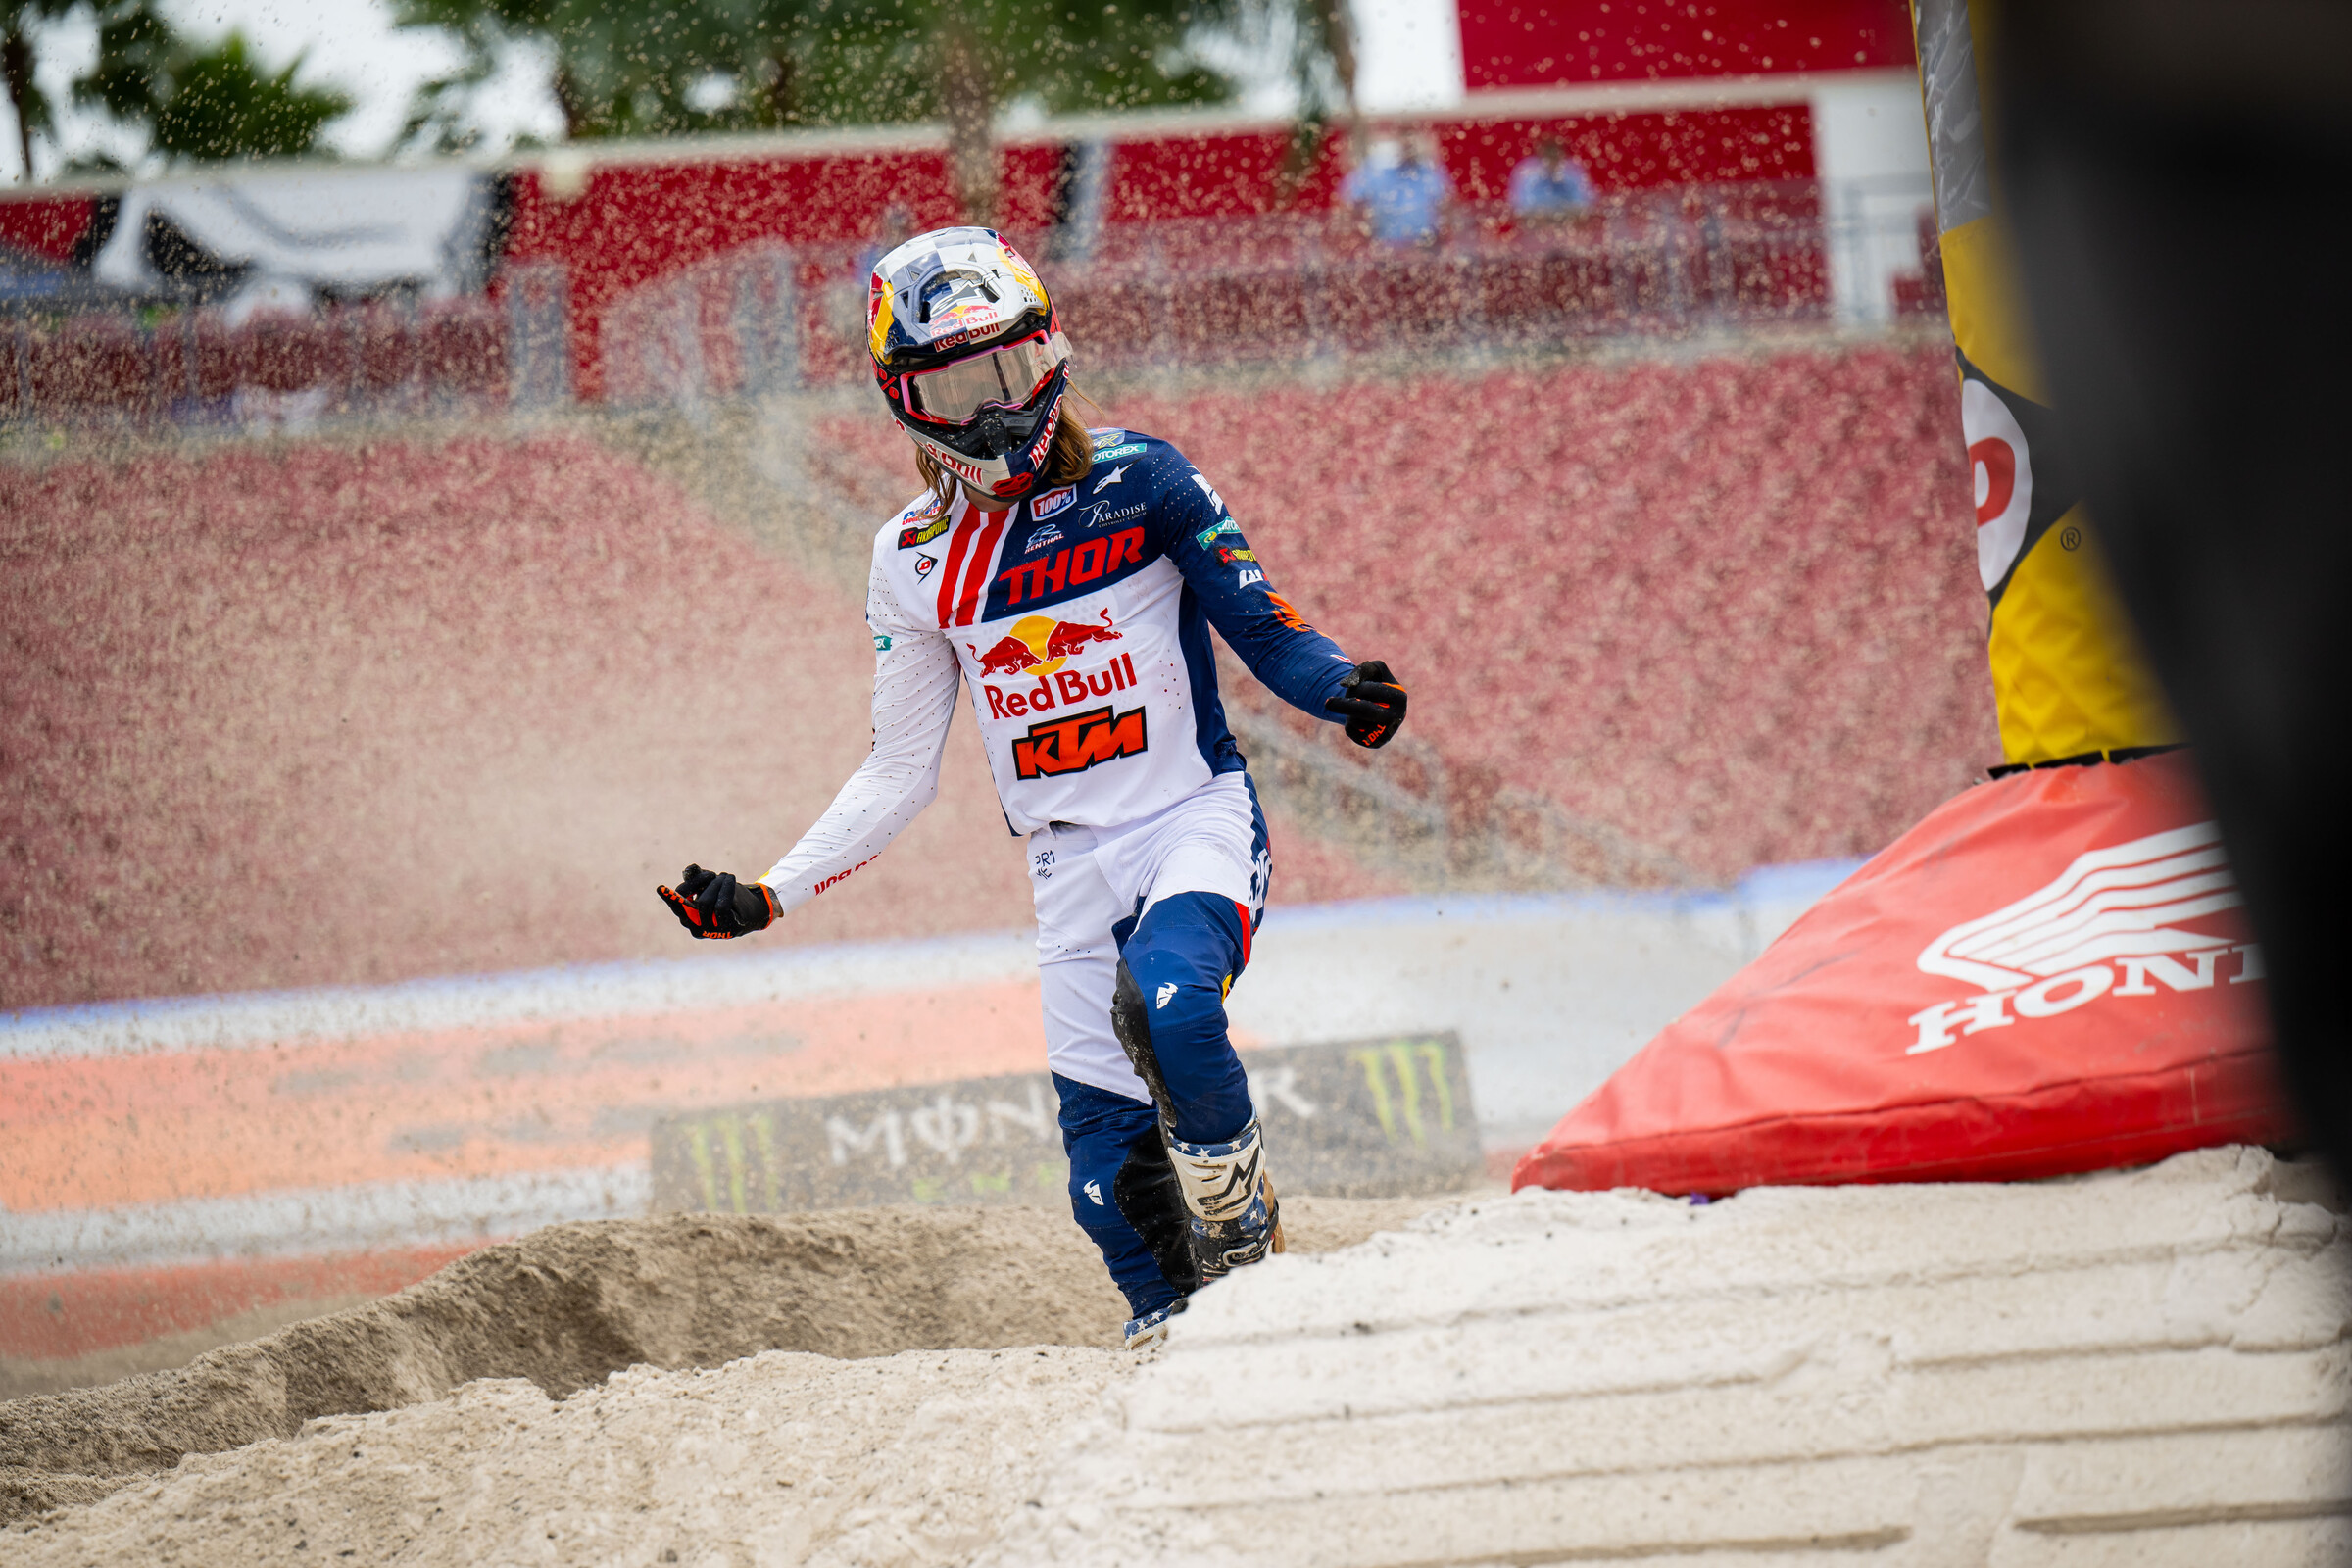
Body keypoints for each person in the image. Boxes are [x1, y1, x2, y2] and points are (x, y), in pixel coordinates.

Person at [655, 227, 1409, 1348]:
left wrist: (1343, 685)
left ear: (1049, 351)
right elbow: (900, 771)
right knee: (1103, 1195)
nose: (998, 409)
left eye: (1009, 369)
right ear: (908, 402)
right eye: (962, 385)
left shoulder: (1147, 477)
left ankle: (1252, 1242)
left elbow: (1266, 626)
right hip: (1064, 869)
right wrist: (774, 892)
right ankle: (1188, 1341)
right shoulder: (908, 560)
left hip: (1189, 818)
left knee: (1169, 1000)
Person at [1341, 130, 1455, 246]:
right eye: (1403, 137)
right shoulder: (1375, 172)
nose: (1408, 143)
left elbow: (1448, 208)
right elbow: (1351, 205)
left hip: (1426, 247)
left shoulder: (1431, 172)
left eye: (1412, 136)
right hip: (1386, 248)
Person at [1508, 138, 1595, 225]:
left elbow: (1585, 211)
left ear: (1563, 155)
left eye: (1555, 156)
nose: (1552, 161)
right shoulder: (1526, 173)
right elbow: (1519, 212)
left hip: (1567, 227)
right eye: (1548, 156)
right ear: (1540, 156)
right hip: (1535, 230)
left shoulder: (1574, 172)